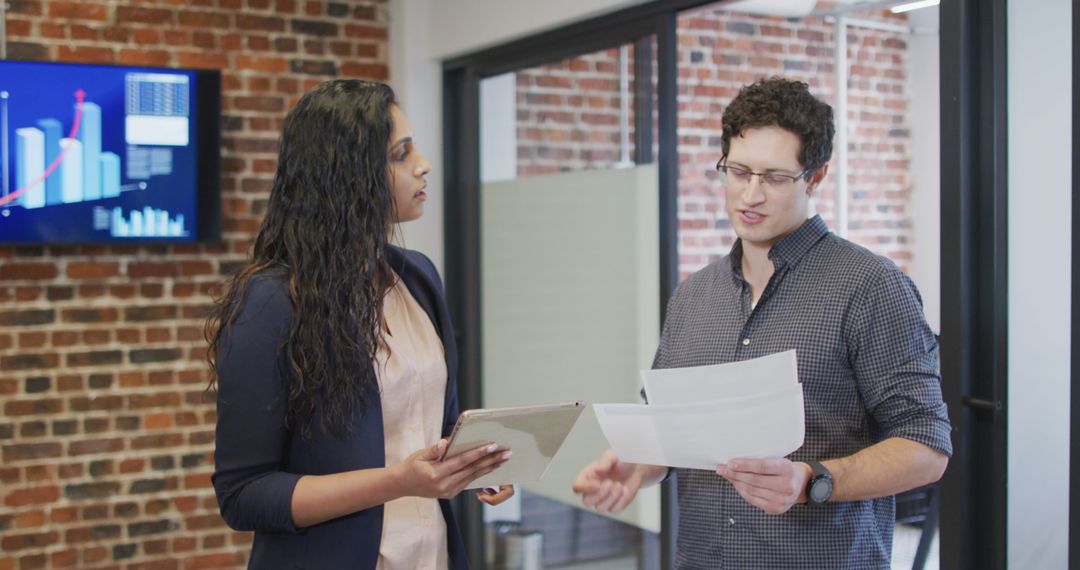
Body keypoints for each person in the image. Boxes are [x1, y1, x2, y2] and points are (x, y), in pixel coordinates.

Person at [572, 77, 952, 569]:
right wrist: (636, 465)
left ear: (815, 177)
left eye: (775, 177)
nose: (750, 195)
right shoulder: (693, 296)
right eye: (739, 171)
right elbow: (670, 432)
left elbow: (926, 446)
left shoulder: (871, 287)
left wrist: (812, 480)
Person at [208, 79, 513, 570]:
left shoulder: (417, 277)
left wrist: (473, 463)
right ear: (347, 173)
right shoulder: (269, 302)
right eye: (400, 154)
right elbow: (244, 495)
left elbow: (431, 426)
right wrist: (399, 481)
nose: (424, 165)